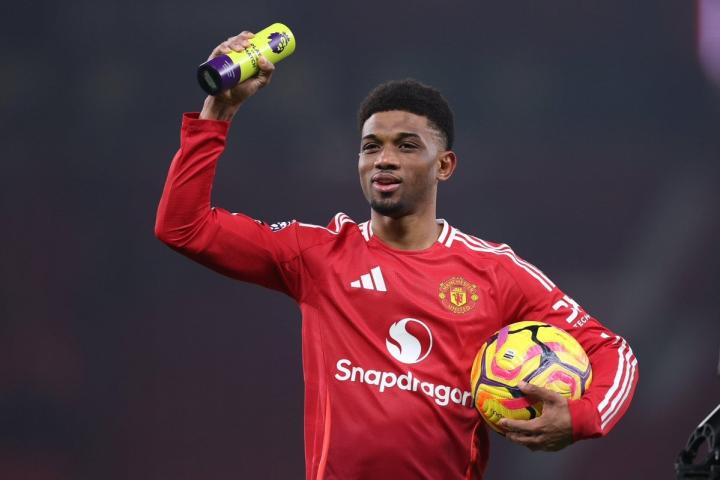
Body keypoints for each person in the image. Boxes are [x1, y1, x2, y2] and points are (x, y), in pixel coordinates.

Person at [155, 30, 639, 480]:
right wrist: (218, 112)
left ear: (444, 165)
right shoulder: (319, 254)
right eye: (371, 147)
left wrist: (582, 416)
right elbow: (184, 227)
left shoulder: (495, 271)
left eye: (406, 146)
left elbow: (612, 351)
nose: (384, 159)